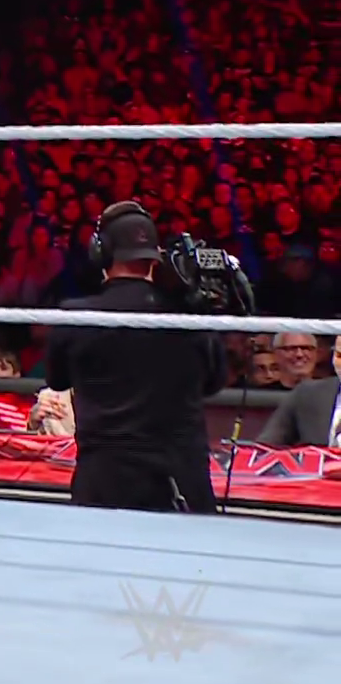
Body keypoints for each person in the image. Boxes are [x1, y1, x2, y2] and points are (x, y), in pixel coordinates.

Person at [44, 201, 225, 513]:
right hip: (181, 481)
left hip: (105, 481)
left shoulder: (78, 316)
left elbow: (57, 379)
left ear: (101, 253)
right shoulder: (188, 317)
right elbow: (215, 382)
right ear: (155, 256)